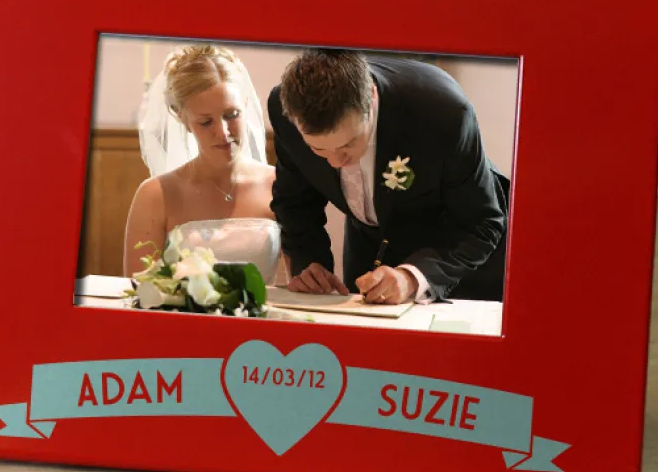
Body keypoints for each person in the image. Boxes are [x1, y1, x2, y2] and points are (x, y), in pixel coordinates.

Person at [267, 48, 509, 303]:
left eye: (348, 145)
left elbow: (482, 223)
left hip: (460, 265)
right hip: (370, 253)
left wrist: (412, 277)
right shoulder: (285, 110)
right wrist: (309, 266)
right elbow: (295, 203)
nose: (337, 163)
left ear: (371, 97)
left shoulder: (443, 111)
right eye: (318, 149)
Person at [124, 44, 282, 283]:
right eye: (206, 122)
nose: (223, 132)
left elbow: (298, 284)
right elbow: (140, 290)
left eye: (232, 115)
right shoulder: (155, 195)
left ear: (246, 105)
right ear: (183, 118)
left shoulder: (279, 185)